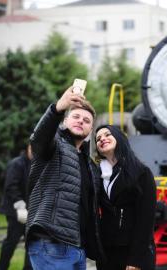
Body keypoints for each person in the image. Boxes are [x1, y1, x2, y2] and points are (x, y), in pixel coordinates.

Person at [25, 86, 104, 270]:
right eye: (75, 117)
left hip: (78, 248)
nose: (80, 121)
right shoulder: (54, 147)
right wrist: (57, 108)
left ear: (90, 129)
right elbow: (38, 138)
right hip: (52, 242)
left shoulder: (89, 164)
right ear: (65, 120)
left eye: (86, 120)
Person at [94, 125, 156, 270]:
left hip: (133, 253)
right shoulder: (97, 175)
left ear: (119, 138)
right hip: (107, 253)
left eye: (107, 134)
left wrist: (136, 260)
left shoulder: (142, 173)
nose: (102, 139)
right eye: (98, 138)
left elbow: (146, 220)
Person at [0, 145, 33, 270]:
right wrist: (21, 207)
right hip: (15, 212)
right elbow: (11, 186)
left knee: (31, 244)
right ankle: (2, 267)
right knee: (11, 242)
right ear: (29, 147)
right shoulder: (17, 163)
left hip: (31, 213)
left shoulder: (37, 164)